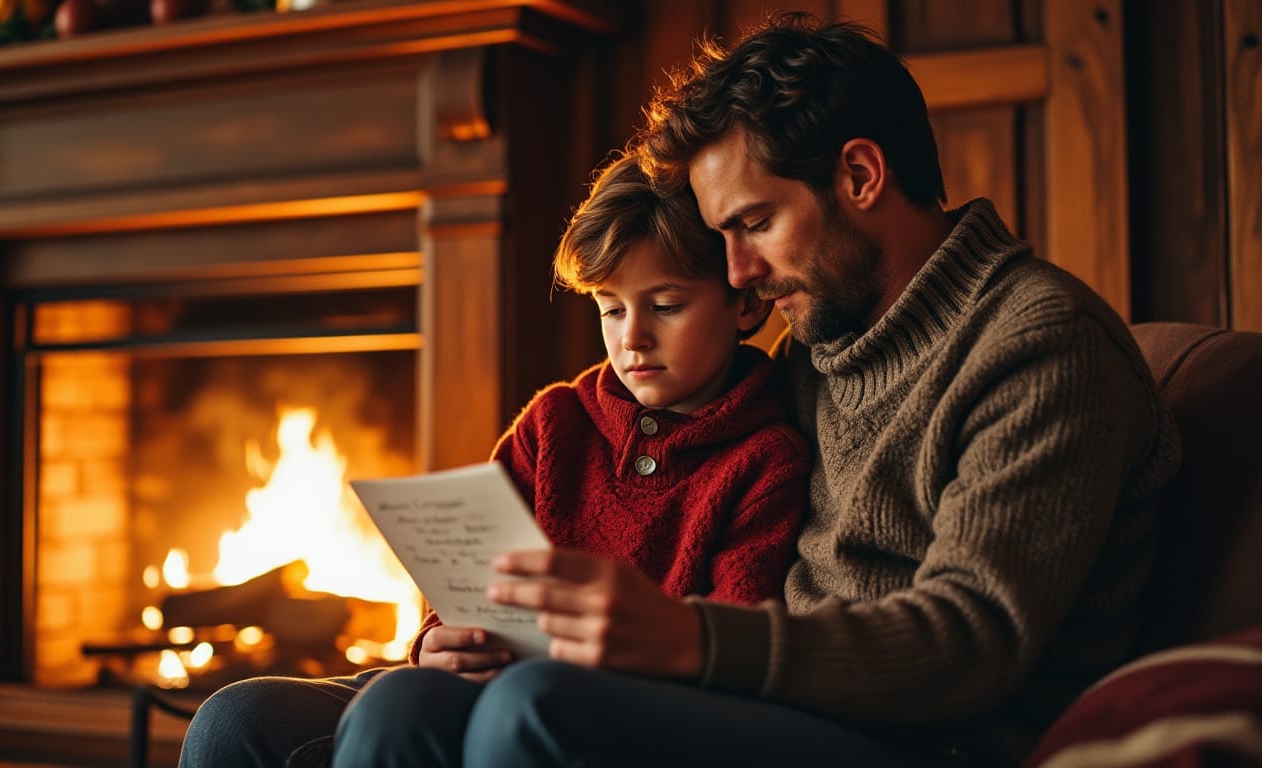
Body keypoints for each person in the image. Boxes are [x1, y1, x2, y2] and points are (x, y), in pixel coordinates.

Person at [385, 13, 1176, 768]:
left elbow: (973, 639)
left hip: (934, 744)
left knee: (537, 709)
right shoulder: (821, 345)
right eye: (724, 235)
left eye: (755, 223)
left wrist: (691, 639)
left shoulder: (1042, 346)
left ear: (860, 175)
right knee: (382, 707)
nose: (738, 273)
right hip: (778, 709)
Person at [177, 152, 812, 767]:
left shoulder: (765, 458)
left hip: (615, 707)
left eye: (666, 306)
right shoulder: (555, 422)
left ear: (745, 303)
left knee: (400, 707)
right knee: (236, 716)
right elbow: (466, 585)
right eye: (611, 309)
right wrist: (437, 644)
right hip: (485, 680)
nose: (632, 337)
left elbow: (729, 643)